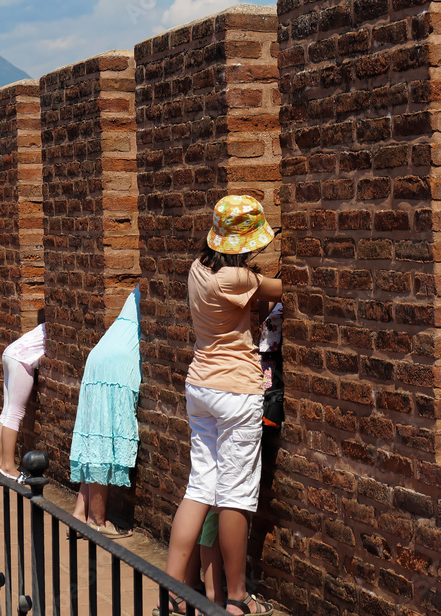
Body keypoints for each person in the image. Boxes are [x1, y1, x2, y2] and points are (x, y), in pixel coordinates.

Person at [162, 195, 281, 616]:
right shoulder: (237, 278)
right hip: (236, 391)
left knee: (199, 487)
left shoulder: (198, 268)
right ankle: (237, 598)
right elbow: (284, 288)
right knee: (236, 495)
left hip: (200, 386)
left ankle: (172, 591)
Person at [69, 287, 141, 540]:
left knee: (95, 438)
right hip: (118, 364)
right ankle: (96, 521)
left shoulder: (136, 290)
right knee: (102, 442)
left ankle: (79, 515)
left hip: (100, 355)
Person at [0, 319, 46, 482]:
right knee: (15, 413)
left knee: (7, 411)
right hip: (21, 359)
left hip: (11, 353)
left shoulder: (45, 326)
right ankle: (8, 467)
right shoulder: (55, 330)